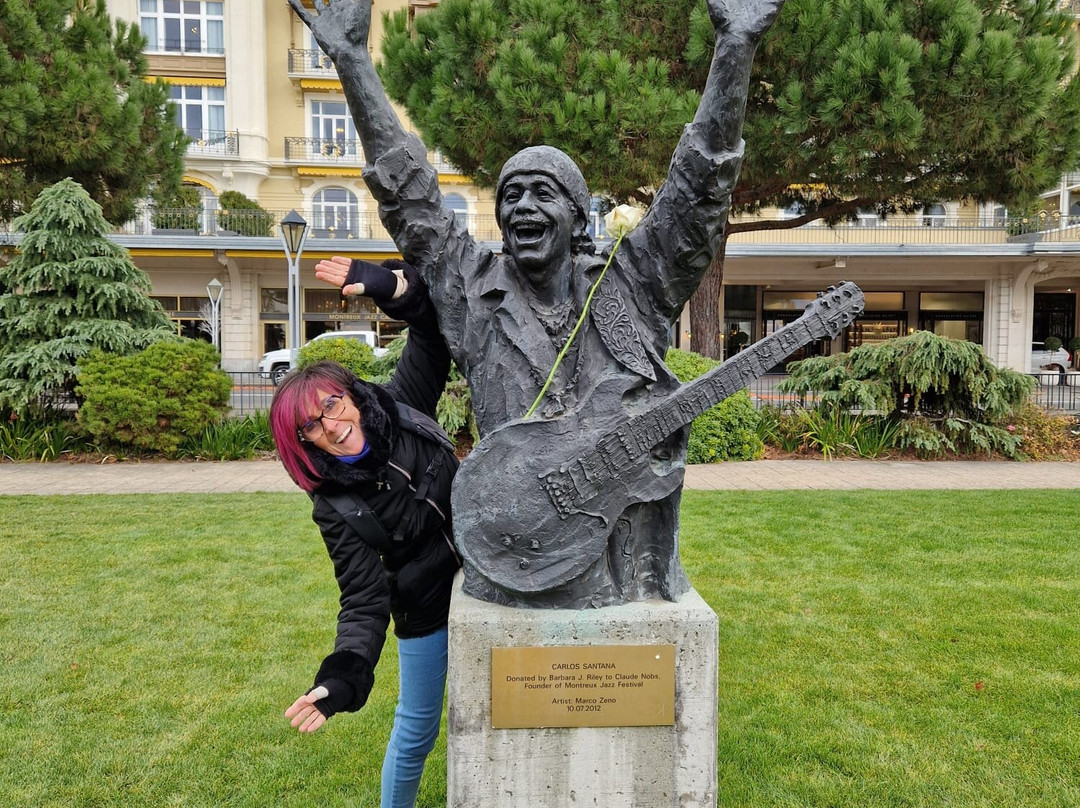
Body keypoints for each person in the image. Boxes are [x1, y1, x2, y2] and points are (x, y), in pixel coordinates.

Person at [289, 0, 786, 608]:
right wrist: (351, 61)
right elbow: (409, 197)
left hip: (624, 566)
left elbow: (696, 197)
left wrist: (735, 48)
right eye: (510, 195)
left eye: (543, 194)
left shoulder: (632, 284)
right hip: (513, 557)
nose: (522, 206)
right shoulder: (471, 290)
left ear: (578, 217)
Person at [269, 258, 459, 808]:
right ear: (303, 442)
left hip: (493, 573)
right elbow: (362, 598)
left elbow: (430, 338)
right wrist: (343, 678)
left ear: (349, 397)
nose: (330, 424)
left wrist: (390, 287)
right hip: (426, 608)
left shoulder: (399, 408)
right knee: (418, 729)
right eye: (311, 425)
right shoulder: (335, 505)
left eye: (331, 404)